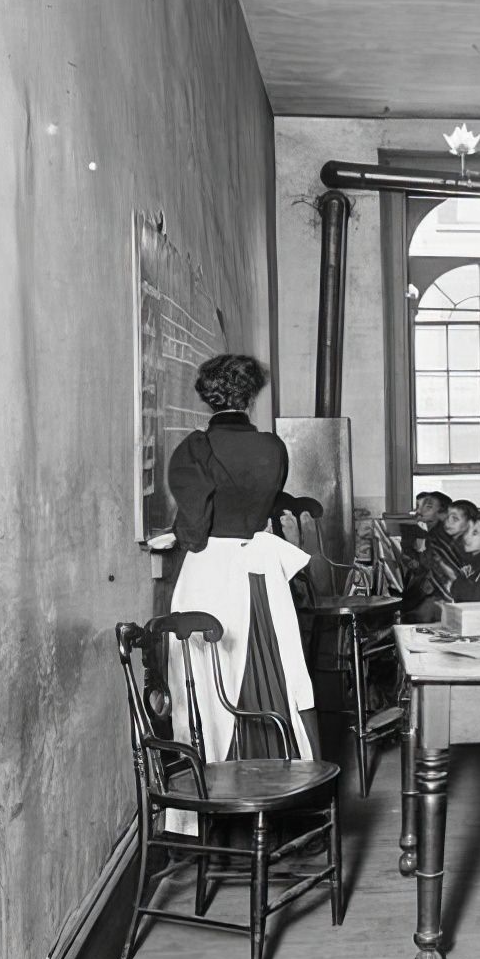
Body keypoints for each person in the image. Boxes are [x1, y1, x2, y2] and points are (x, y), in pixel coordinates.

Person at [160, 354, 314, 833]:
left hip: (210, 570)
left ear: (207, 397)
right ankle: (283, 798)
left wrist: (178, 535)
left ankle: (208, 808)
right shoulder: (273, 447)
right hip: (260, 573)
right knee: (274, 670)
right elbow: (257, 504)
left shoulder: (196, 447)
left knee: (205, 679)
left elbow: (195, 525)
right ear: (251, 397)